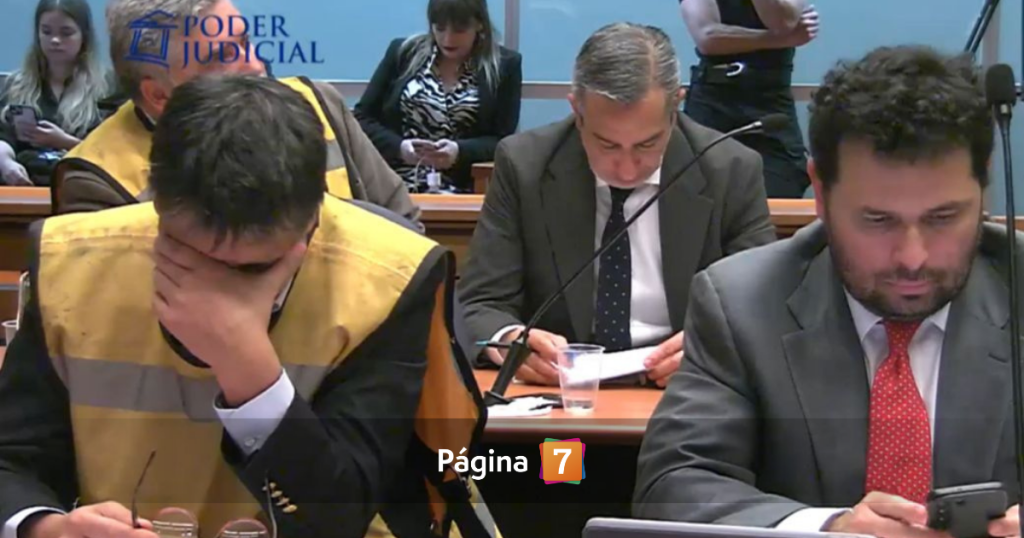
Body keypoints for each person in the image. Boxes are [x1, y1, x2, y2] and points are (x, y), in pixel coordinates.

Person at [0, 75, 497, 538]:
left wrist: (246, 364)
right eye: (188, 256)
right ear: (156, 201)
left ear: (313, 219)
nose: (213, 290)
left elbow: (338, 516)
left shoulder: (392, 277)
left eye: (253, 269)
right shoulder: (70, 261)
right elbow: (12, 460)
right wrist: (42, 527)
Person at [633, 45, 1022, 538]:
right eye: (877, 220)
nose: (913, 257)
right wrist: (828, 528)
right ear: (820, 191)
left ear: (983, 184)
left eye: (943, 217)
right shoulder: (741, 303)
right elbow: (673, 486)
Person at [457, 23, 775, 387]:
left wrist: (714, 348)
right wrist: (510, 341)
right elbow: (479, 303)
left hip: (688, 388)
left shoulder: (730, 170)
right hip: (562, 392)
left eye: (647, 144)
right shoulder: (525, 166)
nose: (626, 169)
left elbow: (763, 305)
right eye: (607, 145)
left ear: (676, 106)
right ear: (577, 110)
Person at [51, 0, 420, 227]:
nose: (256, 66)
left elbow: (406, 229)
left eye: (244, 42)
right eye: (223, 58)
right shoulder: (94, 178)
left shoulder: (319, 103)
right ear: (159, 95)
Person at [354, 0, 522, 193]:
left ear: (479, 24)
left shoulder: (505, 65)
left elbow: (503, 140)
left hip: (463, 186)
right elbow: (362, 118)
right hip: (393, 183)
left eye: (459, 30)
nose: (448, 39)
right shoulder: (404, 53)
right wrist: (399, 147)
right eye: (440, 28)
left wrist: (459, 151)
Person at [679, 0, 819, 198]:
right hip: (713, 101)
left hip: (770, 102)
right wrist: (783, 40)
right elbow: (708, 37)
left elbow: (782, 22)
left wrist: (783, 35)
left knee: (779, 191)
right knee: (701, 197)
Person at [0, 0, 109, 187]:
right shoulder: (15, 86)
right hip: (25, 184)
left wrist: (64, 142)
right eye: (46, 32)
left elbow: (115, 156)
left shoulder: (108, 89)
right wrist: (5, 162)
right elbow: (4, 137)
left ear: (84, 36)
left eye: (66, 33)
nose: (55, 40)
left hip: (83, 185)